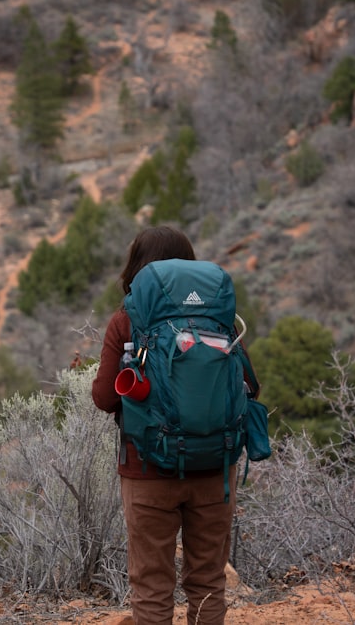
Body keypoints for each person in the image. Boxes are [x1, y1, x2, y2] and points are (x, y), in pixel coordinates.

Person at [91, 225, 259, 625]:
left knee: (151, 584)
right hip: (214, 469)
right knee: (207, 582)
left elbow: (103, 397)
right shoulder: (218, 317)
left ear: (135, 266)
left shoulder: (127, 319)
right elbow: (249, 384)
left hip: (147, 469)